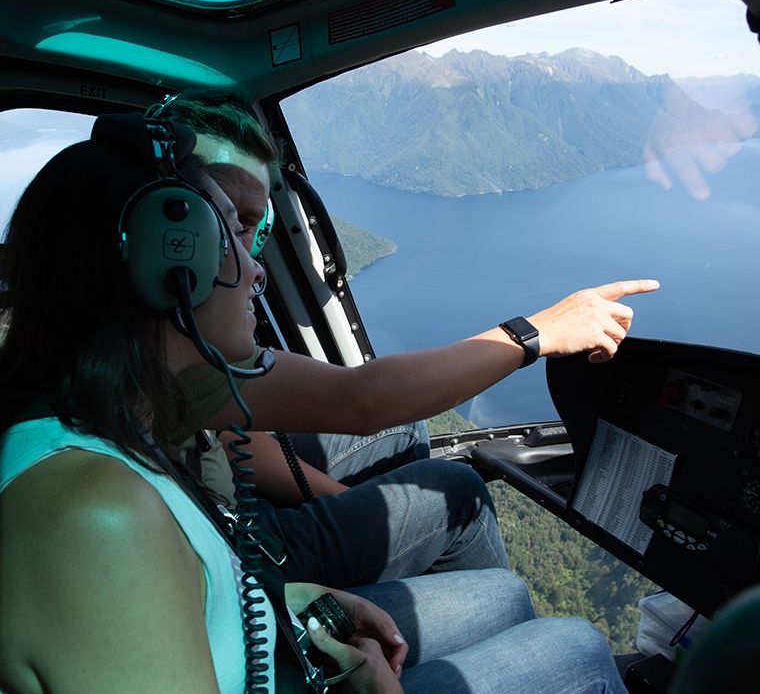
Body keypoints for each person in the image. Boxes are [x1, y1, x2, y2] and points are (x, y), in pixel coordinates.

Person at [0, 112, 628, 693]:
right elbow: (364, 399)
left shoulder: (122, 408)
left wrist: (292, 598)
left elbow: (197, 594)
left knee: (505, 598)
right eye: (231, 240)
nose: (256, 270)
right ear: (170, 267)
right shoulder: (92, 513)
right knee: (576, 648)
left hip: (266, 641)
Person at [158, 90, 659, 590]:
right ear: (165, 231)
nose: (257, 267)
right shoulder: (161, 356)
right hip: (234, 554)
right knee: (457, 495)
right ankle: (485, 617)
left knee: (405, 432)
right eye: (233, 223)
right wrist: (538, 333)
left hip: (216, 495)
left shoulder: (172, 344)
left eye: (255, 226)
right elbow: (362, 399)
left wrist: (341, 502)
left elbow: (238, 437)